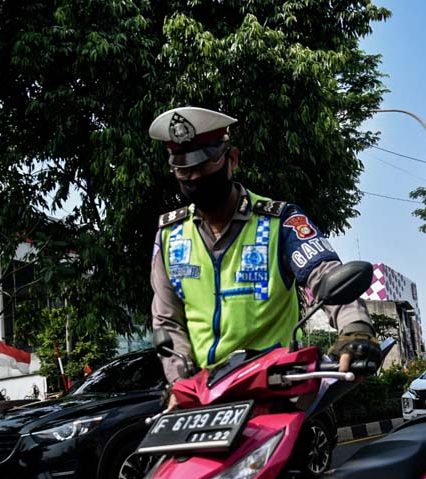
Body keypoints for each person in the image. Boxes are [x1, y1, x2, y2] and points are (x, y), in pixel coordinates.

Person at [148, 106, 380, 408]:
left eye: (204, 165)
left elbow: (325, 275)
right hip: (205, 399)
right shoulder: (170, 235)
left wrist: (355, 328)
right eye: (183, 169)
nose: (194, 176)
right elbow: (166, 320)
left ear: (232, 159)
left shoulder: (280, 222)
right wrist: (180, 382)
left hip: (277, 392)